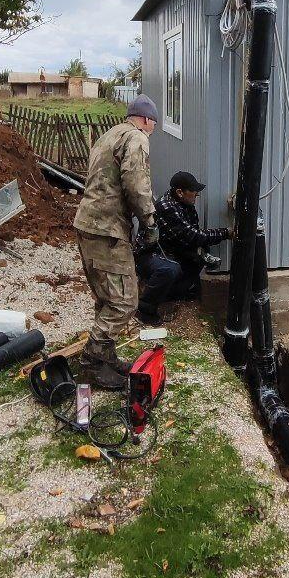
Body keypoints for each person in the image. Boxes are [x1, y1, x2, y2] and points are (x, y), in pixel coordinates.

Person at [74, 93, 160, 388]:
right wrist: (149, 221)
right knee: (125, 301)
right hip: (107, 230)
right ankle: (92, 360)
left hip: (87, 223)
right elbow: (136, 183)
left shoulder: (109, 135)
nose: (152, 131)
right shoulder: (137, 138)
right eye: (153, 126)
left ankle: (106, 358)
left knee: (107, 298)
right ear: (147, 120)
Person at [135, 171, 231, 323]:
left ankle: (172, 294)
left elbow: (194, 235)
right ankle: (145, 309)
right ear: (180, 192)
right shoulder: (166, 207)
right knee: (169, 269)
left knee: (200, 257)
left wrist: (202, 253)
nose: (196, 196)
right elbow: (192, 235)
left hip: (170, 249)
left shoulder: (186, 205)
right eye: (194, 192)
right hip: (149, 255)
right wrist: (227, 233)